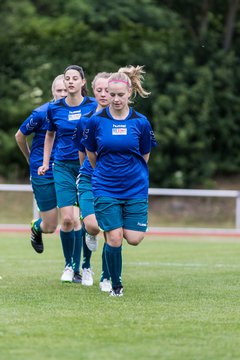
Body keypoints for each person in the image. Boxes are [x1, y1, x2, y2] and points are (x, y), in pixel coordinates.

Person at [82, 65, 157, 296]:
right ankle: (115, 284)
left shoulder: (141, 122)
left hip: (135, 187)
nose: (115, 99)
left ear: (129, 94)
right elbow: (91, 154)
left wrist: (132, 173)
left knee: (133, 238)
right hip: (105, 186)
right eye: (111, 95)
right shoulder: (96, 122)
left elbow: (145, 154)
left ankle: (114, 267)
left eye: (120, 95)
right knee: (114, 237)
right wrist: (105, 174)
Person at [38, 65, 97, 283]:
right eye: (67, 78)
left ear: (83, 82)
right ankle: (69, 266)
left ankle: (87, 266)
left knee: (88, 221)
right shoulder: (55, 108)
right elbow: (49, 135)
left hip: (87, 167)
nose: (70, 82)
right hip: (62, 165)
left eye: (74, 78)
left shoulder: (94, 106)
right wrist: (46, 162)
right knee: (68, 220)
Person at [15, 74, 67, 254]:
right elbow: (19, 136)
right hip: (42, 171)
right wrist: (30, 158)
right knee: (51, 226)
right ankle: (37, 227)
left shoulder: (78, 113)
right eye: (58, 90)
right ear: (52, 92)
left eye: (65, 90)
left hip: (67, 169)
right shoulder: (41, 113)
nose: (62, 93)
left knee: (72, 219)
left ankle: (76, 267)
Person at [75, 72, 112, 290]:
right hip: (90, 177)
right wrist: (88, 171)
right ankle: (86, 266)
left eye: (107, 90)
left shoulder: (123, 119)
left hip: (114, 181)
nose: (103, 94)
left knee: (111, 228)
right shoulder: (85, 120)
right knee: (92, 225)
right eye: (99, 90)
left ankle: (107, 275)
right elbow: (82, 154)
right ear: (93, 90)